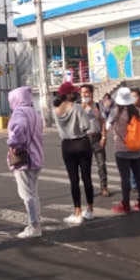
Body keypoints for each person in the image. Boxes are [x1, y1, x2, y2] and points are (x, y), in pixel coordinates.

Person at [53, 81, 94, 223]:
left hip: (67, 145)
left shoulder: (55, 108)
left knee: (73, 179)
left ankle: (77, 211)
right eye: (73, 92)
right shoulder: (77, 107)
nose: (75, 93)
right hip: (82, 142)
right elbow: (86, 126)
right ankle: (89, 209)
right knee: (86, 178)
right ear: (68, 94)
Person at [6, 86, 44, 238]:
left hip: (24, 159)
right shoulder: (34, 112)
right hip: (36, 157)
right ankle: (36, 223)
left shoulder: (19, 112)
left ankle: (34, 226)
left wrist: (14, 144)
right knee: (33, 192)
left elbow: (20, 129)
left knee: (26, 194)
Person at [107, 87, 140, 213]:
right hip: (139, 148)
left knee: (125, 178)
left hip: (122, 150)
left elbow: (108, 126)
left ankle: (125, 204)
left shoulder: (115, 112)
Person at [80, 84, 110, 197]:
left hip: (96, 137)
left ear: (91, 93)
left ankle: (104, 187)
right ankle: (89, 189)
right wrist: (83, 107)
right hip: (84, 138)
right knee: (85, 166)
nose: (85, 94)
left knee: (101, 164)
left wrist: (104, 137)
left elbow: (102, 121)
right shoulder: (78, 106)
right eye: (83, 92)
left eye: (87, 92)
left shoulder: (97, 105)